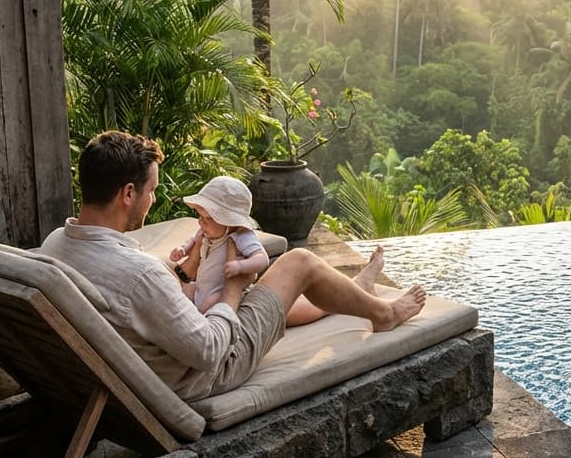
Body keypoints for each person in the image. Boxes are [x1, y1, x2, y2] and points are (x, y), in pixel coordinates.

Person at [39, 130, 426, 402]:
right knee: (298, 263)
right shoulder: (139, 276)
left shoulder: (55, 246)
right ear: (127, 194)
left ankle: (355, 291)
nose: (152, 200)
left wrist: (187, 279)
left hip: (138, 365)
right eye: (151, 190)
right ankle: (385, 313)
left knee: (262, 296)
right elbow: (208, 351)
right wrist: (234, 291)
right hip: (207, 373)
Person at [169, 176, 270, 314]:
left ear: (229, 221)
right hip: (201, 288)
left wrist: (240, 266)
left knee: (208, 304)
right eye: (200, 216)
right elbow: (193, 240)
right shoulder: (205, 231)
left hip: (221, 292)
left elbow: (262, 259)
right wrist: (183, 249)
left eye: (208, 218)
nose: (201, 222)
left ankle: (202, 319)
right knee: (184, 289)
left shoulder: (241, 235)